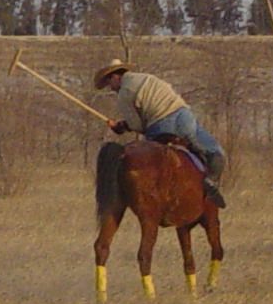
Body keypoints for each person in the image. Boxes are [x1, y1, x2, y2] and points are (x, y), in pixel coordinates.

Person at [94, 59, 227, 209]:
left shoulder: (124, 94)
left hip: (160, 126)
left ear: (114, 77)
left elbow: (137, 125)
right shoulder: (149, 78)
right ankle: (211, 182)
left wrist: (121, 127)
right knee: (214, 151)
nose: (111, 88)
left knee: (151, 167)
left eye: (109, 83)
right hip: (184, 117)